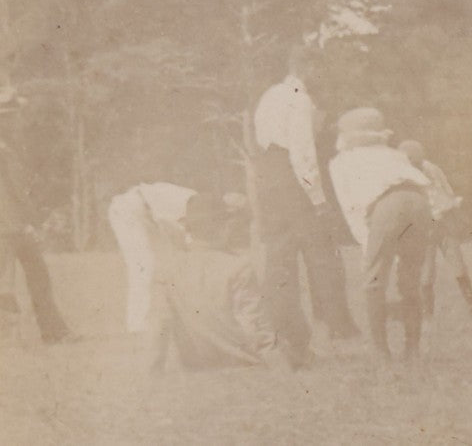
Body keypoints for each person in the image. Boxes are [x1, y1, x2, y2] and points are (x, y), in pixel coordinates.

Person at [251, 47, 361, 355]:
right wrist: (317, 197)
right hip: (292, 180)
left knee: (279, 258)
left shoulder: (269, 95)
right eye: (318, 69)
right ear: (307, 67)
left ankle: (279, 328)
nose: (320, 77)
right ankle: (337, 325)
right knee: (322, 255)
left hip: (268, 179)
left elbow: (263, 142)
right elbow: (302, 153)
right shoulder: (300, 98)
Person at [328, 108, 434, 363]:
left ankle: (380, 350)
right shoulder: (395, 154)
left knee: (373, 281)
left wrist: (369, 246)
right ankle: (412, 349)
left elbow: (351, 207)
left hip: (387, 206)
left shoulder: (341, 162)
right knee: (410, 279)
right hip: (419, 201)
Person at [0, 87, 76, 344]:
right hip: (1, 226)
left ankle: (54, 332)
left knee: (39, 278)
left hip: (19, 225)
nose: (15, 119)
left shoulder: (5, 143)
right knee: (4, 285)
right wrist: (21, 224)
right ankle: (10, 339)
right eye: (10, 114)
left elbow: (18, 189)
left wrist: (32, 219)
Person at [145, 194, 294, 372]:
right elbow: (255, 327)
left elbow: (159, 325)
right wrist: (282, 367)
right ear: (223, 227)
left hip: (195, 366)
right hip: (242, 364)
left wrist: (153, 372)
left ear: (189, 229)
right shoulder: (238, 267)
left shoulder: (167, 269)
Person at [398, 140, 472, 319]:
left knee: (458, 266)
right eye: (411, 162)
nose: (416, 165)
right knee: (426, 273)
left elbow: (447, 192)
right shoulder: (402, 177)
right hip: (423, 228)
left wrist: (453, 213)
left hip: (443, 223)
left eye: (417, 161)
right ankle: (428, 314)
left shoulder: (432, 169)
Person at [107, 181, 199, 333]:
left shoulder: (190, 199)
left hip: (143, 212)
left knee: (153, 265)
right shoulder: (189, 201)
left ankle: (174, 315)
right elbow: (179, 234)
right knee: (143, 266)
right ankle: (137, 323)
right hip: (129, 208)